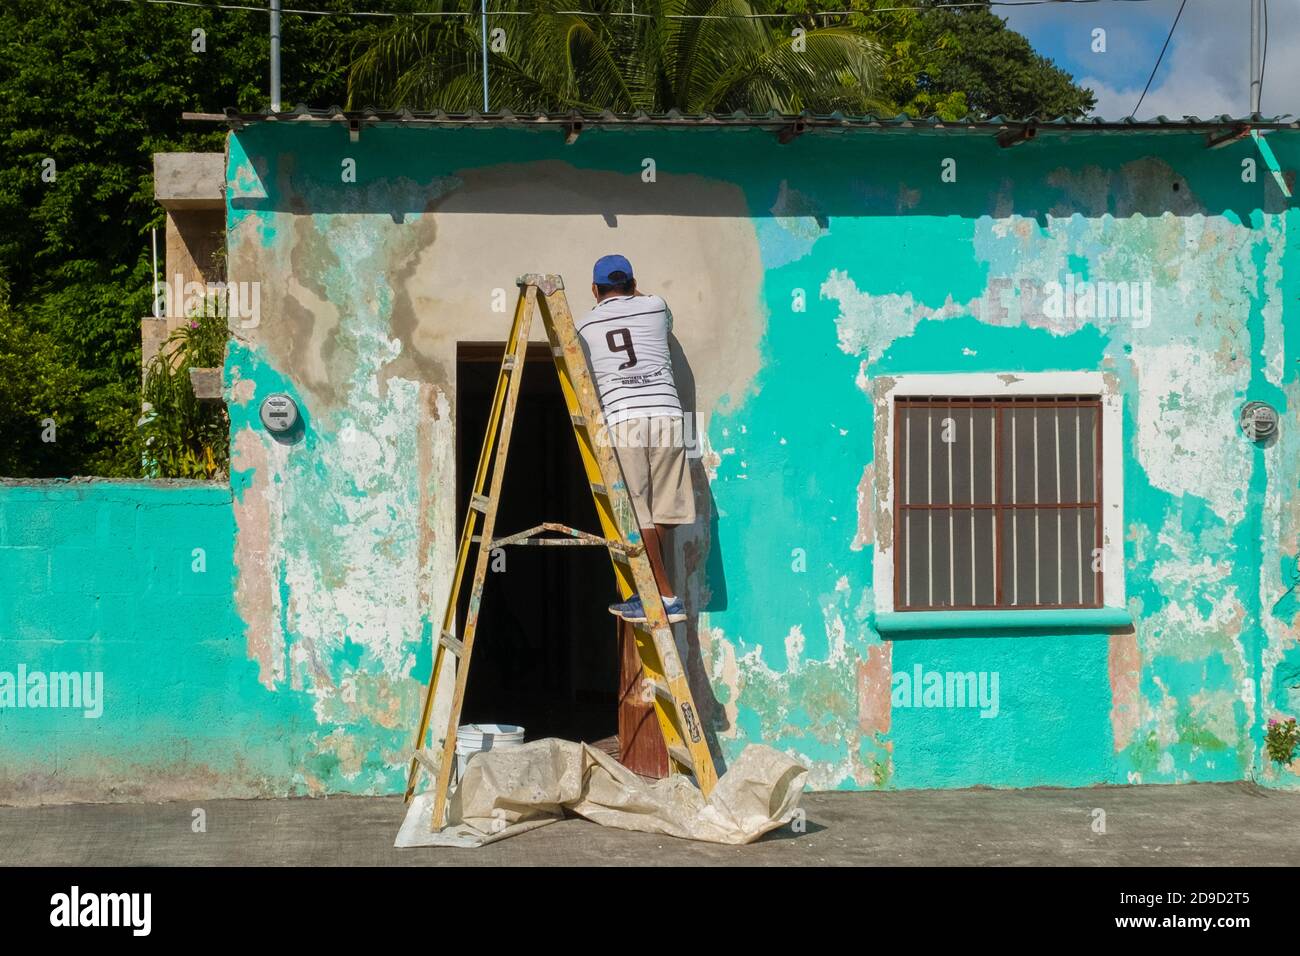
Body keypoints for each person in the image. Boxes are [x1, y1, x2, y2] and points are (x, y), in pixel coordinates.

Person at [576, 254, 693, 624]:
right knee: (667, 512)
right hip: (669, 415)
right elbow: (650, 303)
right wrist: (633, 291)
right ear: (632, 283)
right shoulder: (656, 307)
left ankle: (662, 596)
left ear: (595, 290)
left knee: (638, 514)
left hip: (623, 419)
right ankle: (658, 594)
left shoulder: (583, 326)